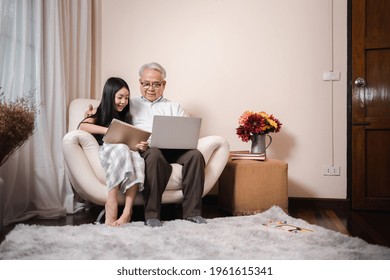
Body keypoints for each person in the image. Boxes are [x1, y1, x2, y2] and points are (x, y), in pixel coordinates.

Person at [131, 62, 207, 227]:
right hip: (147, 150)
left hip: (173, 148)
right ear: (140, 83)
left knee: (195, 155)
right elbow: (111, 119)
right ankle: (152, 215)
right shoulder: (130, 104)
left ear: (163, 85)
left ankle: (192, 213)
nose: (151, 88)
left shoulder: (174, 106)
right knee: (155, 154)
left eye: (156, 84)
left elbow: (188, 131)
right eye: (146, 84)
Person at [79, 77, 148, 227]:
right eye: (120, 97)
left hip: (126, 152)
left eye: (127, 98)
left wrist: (140, 146)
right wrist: (109, 130)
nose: (123, 102)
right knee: (121, 148)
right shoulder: (99, 111)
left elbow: (130, 141)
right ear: (110, 96)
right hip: (108, 151)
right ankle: (111, 201)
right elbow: (83, 127)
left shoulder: (127, 115)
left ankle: (127, 211)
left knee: (136, 156)